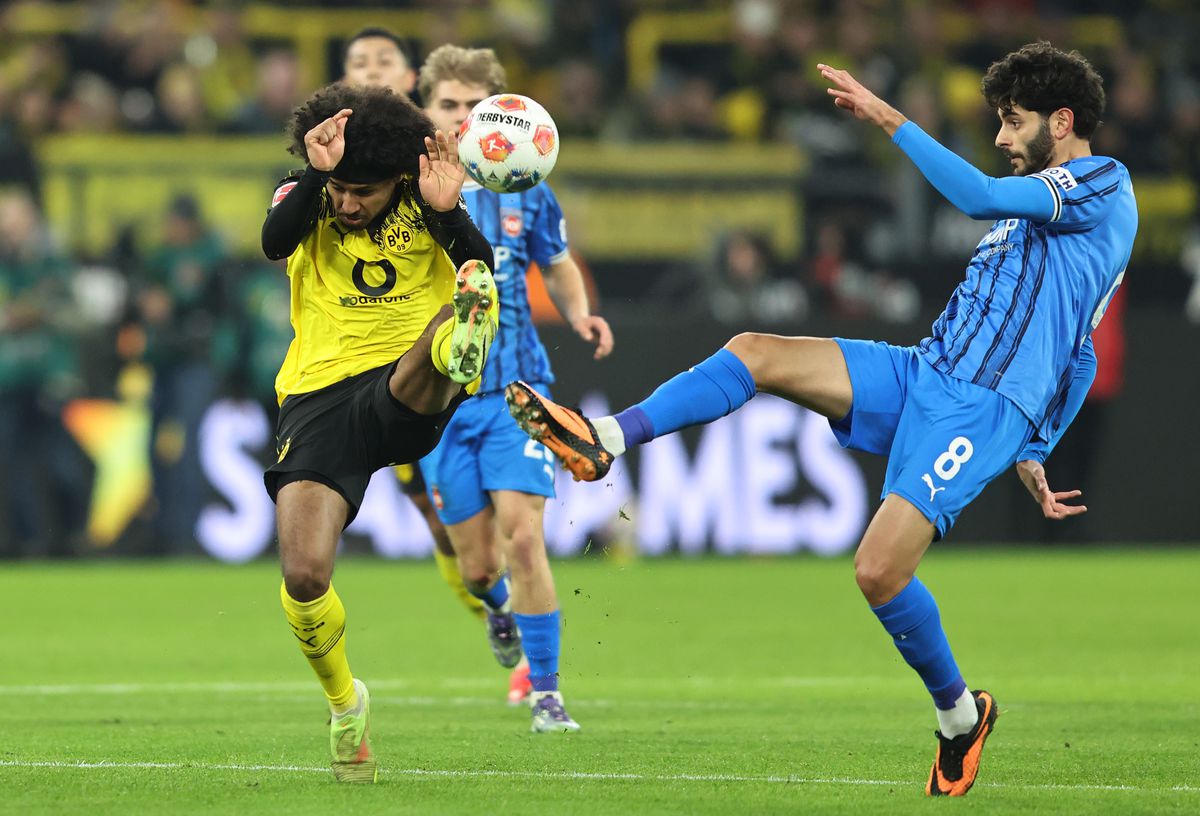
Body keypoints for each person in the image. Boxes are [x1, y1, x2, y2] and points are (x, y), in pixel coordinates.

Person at [506, 41, 1135, 794]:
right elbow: (1080, 348)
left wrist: (887, 117)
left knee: (877, 571)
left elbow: (979, 204)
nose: (1001, 138)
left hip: (983, 404)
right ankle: (602, 440)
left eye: (1013, 121)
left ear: (1062, 121)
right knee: (755, 351)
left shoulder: (1101, 184)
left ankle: (960, 716)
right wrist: (1042, 447)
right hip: (924, 372)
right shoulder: (1048, 202)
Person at [261, 81, 498, 783]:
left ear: (398, 176)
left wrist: (449, 213)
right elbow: (275, 243)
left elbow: (481, 260)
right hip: (315, 398)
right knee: (304, 574)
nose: (348, 203)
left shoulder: (427, 202)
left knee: (449, 318)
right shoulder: (302, 194)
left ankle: (460, 343)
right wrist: (315, 171)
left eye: (363, 192)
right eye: (341, 189)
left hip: (401, 385)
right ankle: (345, 705)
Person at [417, 44, 614, 732]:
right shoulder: (407, 185)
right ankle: (497, 606)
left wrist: (581, 310)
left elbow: (557, 264)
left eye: (476, 106)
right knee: (476, 566)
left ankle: (548, 695)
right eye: (448, 105)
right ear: (427, 111)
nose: (464, 116)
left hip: (517, 393)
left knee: (525, 538)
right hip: (439, 405)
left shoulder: (527, 185)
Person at [340, 26, 522, 698]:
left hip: (431, 343)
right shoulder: (330, 152)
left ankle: (505, 606)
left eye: (383, 60)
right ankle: (495, 603)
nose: (371, 70)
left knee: (463, 515)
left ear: (409, 76)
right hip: (360, 350)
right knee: (437, 520)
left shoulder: (434, 148)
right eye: (359, 62)